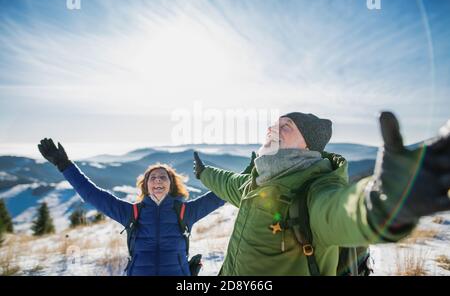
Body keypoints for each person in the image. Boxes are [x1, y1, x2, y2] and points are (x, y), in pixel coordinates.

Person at [193, 111, 450, 275]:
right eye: (273, 124)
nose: (272, 129)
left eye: (286, 126)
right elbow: (226, 182)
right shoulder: (255, 182)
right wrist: (203, 173)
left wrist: (386, 201)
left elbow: (339, 210)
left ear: (307, 145)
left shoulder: (314, 190)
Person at [38, 138, 225, 276]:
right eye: (152, 177)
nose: (157, 180)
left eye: (163, 177)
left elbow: (221, 195)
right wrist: (64, 165)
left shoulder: (186, 212)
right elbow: (91, 194)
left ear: (171, 184)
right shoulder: (131, 213)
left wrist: (251, 176)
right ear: (146, 186)